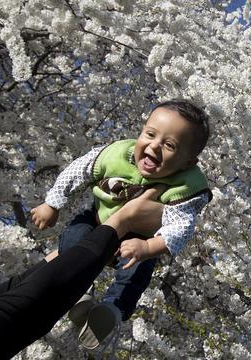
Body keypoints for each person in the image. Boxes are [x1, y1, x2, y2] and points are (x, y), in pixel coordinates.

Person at [29, 99, 213, 349]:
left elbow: (181, 228)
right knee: (74, 238)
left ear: (188, 163)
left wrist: (148, 248)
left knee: (136, 274)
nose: (154, 146)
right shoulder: (115, 154)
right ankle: (78, 290)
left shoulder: (184, 187)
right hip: (97, 222)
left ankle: (111, 310)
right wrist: (52, 204)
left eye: (170, 145)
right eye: (150, 134)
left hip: (138, 240)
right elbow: (77, 171)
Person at [0, 188, 165, 359]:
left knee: (20, 294)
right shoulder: (119, 155)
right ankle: (112, 306)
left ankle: (86, 292)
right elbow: (21, 308)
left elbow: (16, 288)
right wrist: (123, 222)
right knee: (23, 309)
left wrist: (55, 206)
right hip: (115, 223)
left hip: (97, 232)